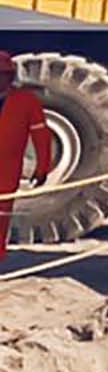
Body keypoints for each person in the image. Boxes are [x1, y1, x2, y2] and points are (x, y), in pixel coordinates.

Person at [0, 52, 54, 263]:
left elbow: (41, 134)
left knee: (1, 216)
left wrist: (43, 166)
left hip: (6, 172)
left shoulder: (26, 101)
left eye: (3, 74)